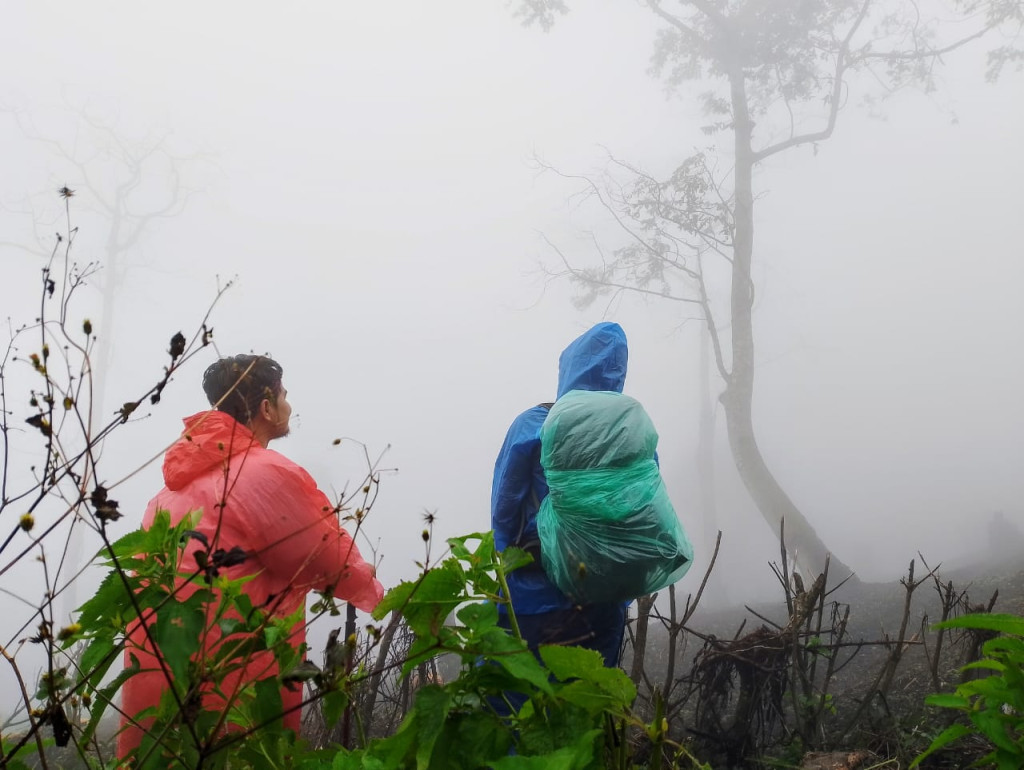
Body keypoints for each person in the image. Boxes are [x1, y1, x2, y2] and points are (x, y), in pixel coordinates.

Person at [118, 354, 383, 758]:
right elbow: (330, 562)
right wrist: (387, 598)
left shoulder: (168, 492)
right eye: (284, 395)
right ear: (265, 407)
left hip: (159, 688)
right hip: (231, 686)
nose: (290, 405)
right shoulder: (262, 474)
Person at [490, 322, 629, 673]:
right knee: (589, 706)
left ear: (569, 369)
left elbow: (503, 513)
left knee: (519, 709)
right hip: (603, 603)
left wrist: (509, 569)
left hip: (533, 598)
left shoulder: (533, 425)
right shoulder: (630, 434)